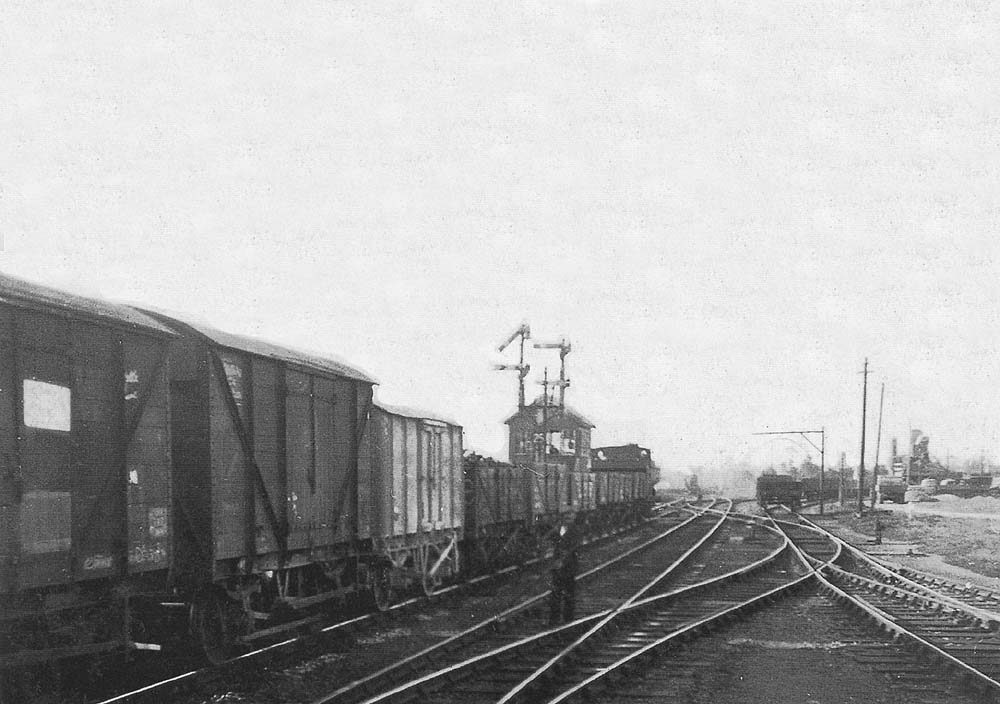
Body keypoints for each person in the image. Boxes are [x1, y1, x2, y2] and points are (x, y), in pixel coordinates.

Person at [549, 522, 580, 625]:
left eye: (570, 514)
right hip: (557, 569)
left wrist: (563, 561)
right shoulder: (556, 530)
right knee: (555, 595)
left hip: (569, 568)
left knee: (569, 595)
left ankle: (568, 620)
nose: (568, 517)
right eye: (566, 514)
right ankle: (554, 620)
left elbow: (574, 549)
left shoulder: (575, 531)